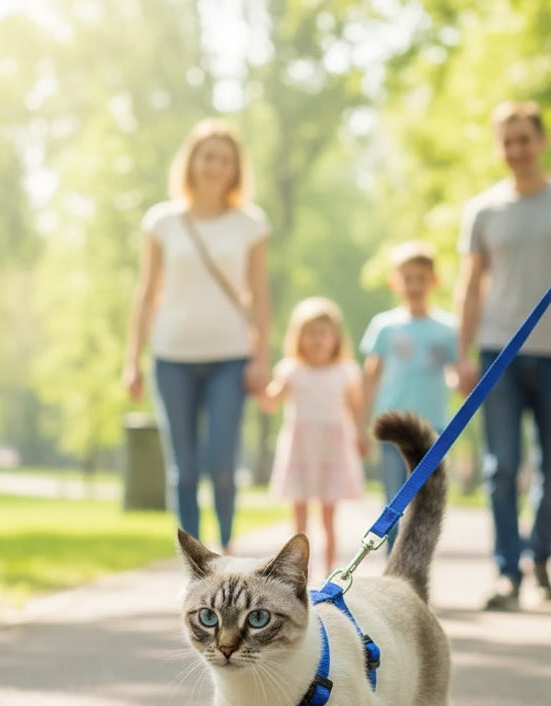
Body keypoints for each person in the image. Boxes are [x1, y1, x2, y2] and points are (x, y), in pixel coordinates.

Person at [455, 100, 551, 610]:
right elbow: (470, 286)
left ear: (541, 141)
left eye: (524, 139)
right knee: (501, 467)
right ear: (500, 148)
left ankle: (539, 555)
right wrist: (464, 353)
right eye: (507, 141)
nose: (516, 150)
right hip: (499, 352)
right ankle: (507, 573)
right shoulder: (483, 209)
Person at [123, 118, 272, 553]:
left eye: (225, 160)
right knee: (183, 469)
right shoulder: (162, 221)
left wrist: (261, 356)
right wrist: (131, 359)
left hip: (230, 355)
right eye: (208, 157)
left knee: (222, 464)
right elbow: (147, 293)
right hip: (172, 355)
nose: (216, 167)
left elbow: (259, 294)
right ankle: (194, 562)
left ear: (235, 168)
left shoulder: (251, 223)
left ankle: (227, 552)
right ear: (192, 162)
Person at [359, 241, 458, 550]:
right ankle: (391, 564)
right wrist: (360, 426)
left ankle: (415, 568)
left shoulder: (448, 328)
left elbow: (456, 372)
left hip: (434, 429)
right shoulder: (384, 326)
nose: (415, 285)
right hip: (392, 426)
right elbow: (370, 377)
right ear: (395, 281)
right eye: (408, 278)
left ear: (434, 281)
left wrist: (465, 382)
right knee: (393, 500)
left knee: (426, 504)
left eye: (421, 278)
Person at [260, 297, 365, 579]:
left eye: (323, 333)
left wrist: (362, 438)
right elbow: (270, 402)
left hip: (333, 450)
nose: (317, 340)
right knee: (299, 521)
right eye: (310, 333)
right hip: (301, 450)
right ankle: (296, 574)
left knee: (330, 519)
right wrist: (257, 376)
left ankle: (331, 572)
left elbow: (357, 410)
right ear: (299, 337)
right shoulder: (290, 370)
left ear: (335, 337)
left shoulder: (346, 372)